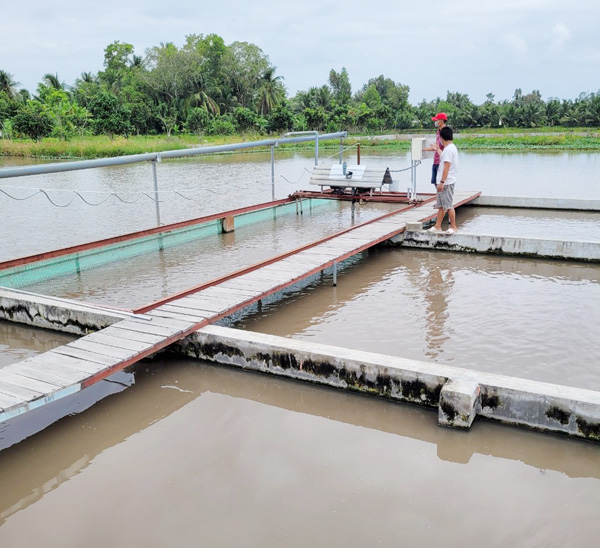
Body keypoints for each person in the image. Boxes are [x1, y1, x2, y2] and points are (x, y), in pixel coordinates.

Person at [428, 126, 458, 234]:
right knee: (441, 205)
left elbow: (447, 166)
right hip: (444, 181)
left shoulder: (449, 150)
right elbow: (444, 157)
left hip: (447, 182)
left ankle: (453, 227)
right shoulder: (448, 148)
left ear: (441, 138)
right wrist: (437, 149)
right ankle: (437, 226)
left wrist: (441, 182)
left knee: (448, 205)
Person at [423, 113, 448, 187]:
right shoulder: (438, 132)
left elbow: (446, 148)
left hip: (441, 162)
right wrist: (422, 149)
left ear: (442, 121)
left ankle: (442, 197)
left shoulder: (446, 133)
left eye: (437, 120)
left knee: (441, 183)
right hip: (436, 161)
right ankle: (439, 197)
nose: (435, 122)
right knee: (435, 182)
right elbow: (436, 147)